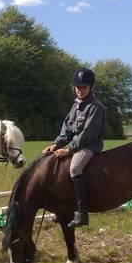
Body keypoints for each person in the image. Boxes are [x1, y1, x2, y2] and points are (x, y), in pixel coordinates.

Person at [42, 68, 107, 228]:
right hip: (77, 144)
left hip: (89, 145)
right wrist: (56, 144)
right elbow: (68, 128)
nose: (80, 90)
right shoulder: (76, 106)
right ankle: (62, 209)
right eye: (77, 87)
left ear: (90, 88)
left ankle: (82, 212)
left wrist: (69, 149)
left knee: (75, 168)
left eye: (83, 87)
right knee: (53, 163)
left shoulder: (95, 107)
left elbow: (87, 134)